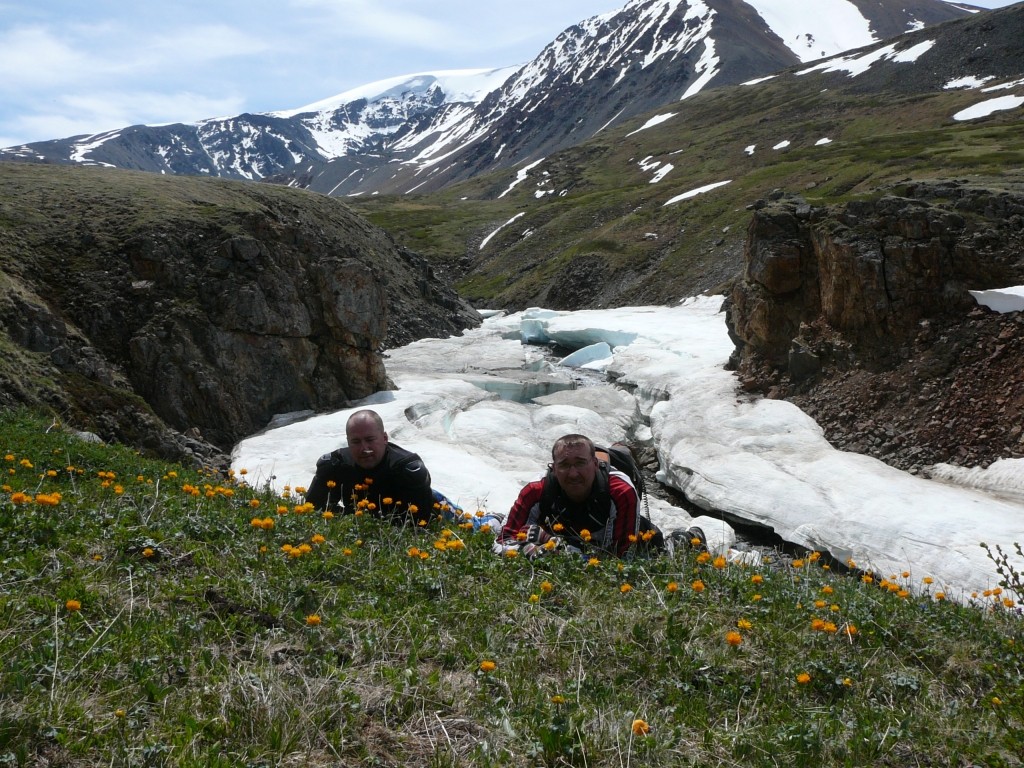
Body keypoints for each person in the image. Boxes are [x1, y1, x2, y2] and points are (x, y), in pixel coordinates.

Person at [496, 434, 641, 557]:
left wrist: (552, 544)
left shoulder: (621, 491)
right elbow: (503, 540)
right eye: (564, 465)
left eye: (580, 463)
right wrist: (534, 550)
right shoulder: (536, 490)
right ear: (553, 468)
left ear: (596, 464)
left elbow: (623, 556)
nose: (573, 474)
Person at [305, 409, 434, 525]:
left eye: (370, 440)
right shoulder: (334, 464)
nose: (364, 448)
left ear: (384, 438)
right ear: (348, 442)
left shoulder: (407, 469)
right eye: (356, 442)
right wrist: (347, 521)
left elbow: (421, 525)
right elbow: (312, 510)